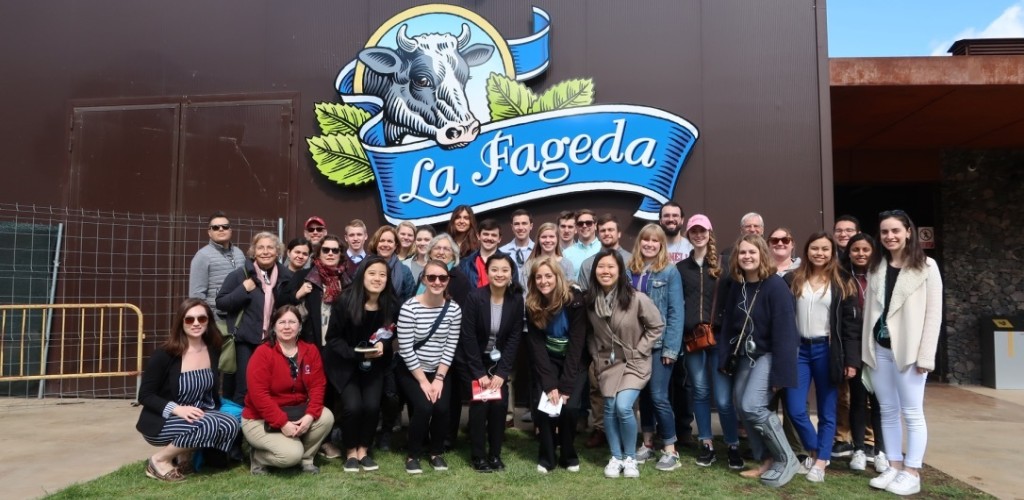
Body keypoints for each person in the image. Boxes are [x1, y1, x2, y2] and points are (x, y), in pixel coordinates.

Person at [863, 210, 942, 496]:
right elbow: (871, 313)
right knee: (887, 411)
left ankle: (912, 471)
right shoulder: (877, 267)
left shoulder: (927, 267)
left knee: (912, 412)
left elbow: (934, 315)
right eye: (884, 232)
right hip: (880, 350)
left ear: (908, 231)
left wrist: (926, 356)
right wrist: (866, 351)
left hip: (910, 352)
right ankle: (894, 466)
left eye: (895, 230)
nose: (890, 236)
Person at [718, 234, 800, 488]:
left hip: (768, 355)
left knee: (753, 405)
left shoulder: (775, 287)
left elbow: (787, 334)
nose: (747, 257)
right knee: (741, 406)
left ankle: (787, 459)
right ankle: (765, 459)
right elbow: (728, 326)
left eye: (752, 252)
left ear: (762, 254)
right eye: (742, 252)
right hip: (743, 356)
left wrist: (780, 375)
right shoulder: (737, 284)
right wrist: (724, 358)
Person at [783, 232, 860, 483]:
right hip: (799, 350)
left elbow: (850, 326)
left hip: (827, 351)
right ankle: (817, 450)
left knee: (828, 410)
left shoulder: (842, 281)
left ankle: (820, 462)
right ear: (806, 251)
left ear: (832, 252)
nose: (820, 253)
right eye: (814, 248)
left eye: (825, 249)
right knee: (795, 409)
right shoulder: (792, 279)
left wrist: (851, 361)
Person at [136, 298, 239, 482]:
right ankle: (159, 460)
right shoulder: (165, 354)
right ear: (180, 323)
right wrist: (178, 409)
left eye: (202, 318)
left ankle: (185, 456)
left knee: (230, 422)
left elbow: (210, 393)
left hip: (199, 414)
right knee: (209, 424)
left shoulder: (213, 349)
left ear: (209, 321)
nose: (196, 323)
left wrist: (214, 412)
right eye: (190, 319)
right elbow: (145, 395)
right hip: (165, 419)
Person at [586, 249, 665, 479]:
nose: (606, 271)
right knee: (609, 407)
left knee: (623, 406)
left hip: (634, 362)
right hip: (607, 364)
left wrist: (640, 349)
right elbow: (591, 334)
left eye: (611, 266)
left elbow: (656, 326)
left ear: (620, 270)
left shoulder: (636, 298)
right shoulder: (591, 302)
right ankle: (615, 457)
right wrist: (595, 353)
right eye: (601, 267)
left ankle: (630, 457)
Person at [677, 214, 743, 470]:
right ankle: (706, 443)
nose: (698, 234)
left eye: (702, 230)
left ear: (709, 233)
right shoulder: (682, 268)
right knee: (701, 392)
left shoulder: (726, 265)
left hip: (721, 339)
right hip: (693, 338)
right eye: (693, 230)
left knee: (724, 398)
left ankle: (733, 444)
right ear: (688, 234)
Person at [323, 255, 399, 472]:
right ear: (362, 275)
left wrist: (385, 342)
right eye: (372, 273)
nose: (377, 278)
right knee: (354, 407)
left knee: (372, 406)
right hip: (346, 364)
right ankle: (350, 452)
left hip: (375, 365)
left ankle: (363, 450)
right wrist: (356, 354)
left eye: (382, 275)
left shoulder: (392, 304)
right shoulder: (345, 301)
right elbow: (333, 339)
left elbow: (391, 332)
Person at [278, 234, 349, 459]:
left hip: (338, 347)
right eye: (325, 250)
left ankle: (333, 437)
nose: (330, 254)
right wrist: (298, 294)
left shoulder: (347, 280)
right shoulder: (304, 276)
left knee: (336, 393)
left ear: (340, 254)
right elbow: (281, 304)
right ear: (317, 254)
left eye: (334, 250)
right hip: (311, 346)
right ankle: (317, 440)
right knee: (313, 392)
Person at [241, 305, 333, 475]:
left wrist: (310, 415)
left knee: (326, 416)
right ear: (274, 327)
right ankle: (258, 457)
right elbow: (259, 395)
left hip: (296, 413)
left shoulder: (310, 351)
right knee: (290, 455)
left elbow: (318, 386)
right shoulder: (263, 353)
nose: (287, 326)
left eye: (292, 322)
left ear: (300, 326)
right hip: (260, 419)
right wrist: (282, 423)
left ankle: (305, 459)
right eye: (282, 322)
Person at [457, 254, 524, 472]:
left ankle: (495, 455)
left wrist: (502, 372)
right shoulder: (475, 297)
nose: (499, 274)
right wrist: (479, 373)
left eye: (504, 270)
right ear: (487, 272)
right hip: (475, 360)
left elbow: (515, 337)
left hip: (499, 363)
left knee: (499, 405)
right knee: (480, 405)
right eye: (494, 269)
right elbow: (467, 337)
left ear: (511, 273)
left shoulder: (516, 299)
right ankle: (478, 456)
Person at [626, 224, 684, 471]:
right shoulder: (630, 270)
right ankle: (647, 443)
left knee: (659, 396)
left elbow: (675, 312)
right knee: (643, 396)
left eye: (655, 241)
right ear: (639, 243)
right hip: (634, 345)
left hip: (660, 345)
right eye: (645, 240)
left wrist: (671, 349)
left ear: (661, 245)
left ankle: (671, 449)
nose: (649, 244)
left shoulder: (670, 272)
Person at [397, 259, 463, 474]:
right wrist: (424, 381)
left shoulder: (453, 310)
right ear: (423, 279)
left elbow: (450, 346)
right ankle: (413, 455)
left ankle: (436, 452)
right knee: (424, 407)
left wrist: (439, 378)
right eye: (431, 277)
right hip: (412, 369)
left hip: (439, 369)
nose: (437, 282)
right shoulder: (409, 307)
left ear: (448, 280)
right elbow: (406, 349)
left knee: (443, 408)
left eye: (442, 278)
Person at [524, 257, 588, 474]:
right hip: (547, 361)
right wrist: (550, 384)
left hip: (573, 361)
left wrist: (566, 386)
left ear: (558, 277)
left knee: (569, 409)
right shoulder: (532, 304)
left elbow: (577, 343)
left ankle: (568, 454)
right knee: (545, 408)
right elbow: (537, 346)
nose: (543, 281)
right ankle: (547, 457)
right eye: (539, 277)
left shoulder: (575, 300)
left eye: (548, 276)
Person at [216, 232, 287, 404]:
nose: (265, 251)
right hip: (244, 341)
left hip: (273, 341)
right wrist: (243, 289)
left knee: (269, 385)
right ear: (253, 252)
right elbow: (221, 302)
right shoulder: (240, 275)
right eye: (260, 247)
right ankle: (239, 426)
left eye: (270, 247)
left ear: (277, 252)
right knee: (245, 387)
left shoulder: (285, 277)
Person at [841, 232, 888, 473]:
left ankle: (880, 451)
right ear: (849, 252)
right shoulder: (843, 278)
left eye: (865, 250)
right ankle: (858, 449)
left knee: (880, 403)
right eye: (856, 250)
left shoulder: (883, 276)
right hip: (856, 349)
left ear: (873, 252)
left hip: (881, 348)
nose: (860, 254)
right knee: (858, 401)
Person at [831, 215, 862, 458]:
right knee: (841, 392)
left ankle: (868, 441)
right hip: (841, 335)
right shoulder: (833, 264)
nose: (844, 234)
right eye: (839, 230)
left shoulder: (869, 262)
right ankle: (843, 438)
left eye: (849, 230)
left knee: (865, 393)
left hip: (865, 335)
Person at [188, 211, 245, 336]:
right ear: (209, 232)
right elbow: (196, 295)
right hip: (217, 321)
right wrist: (209, 319)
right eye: (215, 227)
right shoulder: (202, 256)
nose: (221, 229)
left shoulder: (239, 253)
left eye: (225, 227)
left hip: (239, 318)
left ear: (231, 230)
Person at [577, 214, 632, 290]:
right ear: (598, 235)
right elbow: (583, 295)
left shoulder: (632, 260)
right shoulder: (587, 264)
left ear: (619, 234)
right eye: (603, 231)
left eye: (610, 230)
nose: (606, 233)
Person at [368, 225, 417, 302]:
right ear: (376, 243)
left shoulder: (404, 271)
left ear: (395, 246)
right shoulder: (365, 266)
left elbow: (411, 300)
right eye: (382, 241)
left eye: (390, 241)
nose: (385, 244)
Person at [459, 218, 508, 290]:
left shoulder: (508, 262)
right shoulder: (465, 264)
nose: (489, 238)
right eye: (486, 234)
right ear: (478, 236)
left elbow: (514, 292)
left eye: (493, 235)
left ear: (499, 239)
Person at [522, 222, 574, 288]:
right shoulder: (529, 265)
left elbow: (571, 291)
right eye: (544, 237)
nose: (547, 240)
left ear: (557, 239)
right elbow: (525, 292)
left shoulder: (567, 264)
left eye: (551, 237)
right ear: (538, 240)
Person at [562, 209, 601, 273]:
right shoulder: (566, 254)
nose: (584, 226)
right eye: (580, 223)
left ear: (595, 226)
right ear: (576, 227)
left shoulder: (605, 249)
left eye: (588, 223)